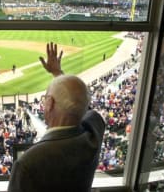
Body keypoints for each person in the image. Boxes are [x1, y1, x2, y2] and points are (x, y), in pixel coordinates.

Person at [8, 42, 105, 192]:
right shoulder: (95, 132)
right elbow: (81, 105)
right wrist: (58, 74)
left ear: (50, 103)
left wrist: (58, 74)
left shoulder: (27, 163)